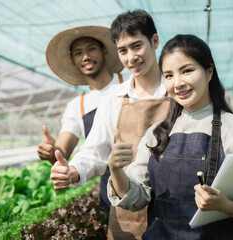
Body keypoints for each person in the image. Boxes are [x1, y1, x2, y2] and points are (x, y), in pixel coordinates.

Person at [107, 34, 233, 239]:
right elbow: (136, 199)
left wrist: (227, 206)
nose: (177, 83)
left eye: (187, 71)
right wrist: (116, 170)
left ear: (209, 71)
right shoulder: (156, 133)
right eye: (169, 75)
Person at [50, 10, 170, 239]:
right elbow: (94, 151)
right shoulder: (114, 99)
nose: (131, 57)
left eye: (137, 46)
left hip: (177, 207)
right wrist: (73, 171)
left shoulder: (175, 92)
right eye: (123, 50)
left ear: (154, 41)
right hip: (129, 210)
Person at [37, 26, 124, 211]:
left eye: (91, 48)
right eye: (78, 52)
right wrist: (52, 152)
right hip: (110, 190)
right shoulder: (78, 105)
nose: (85, 56)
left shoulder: (129, 83)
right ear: (73, 60)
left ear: (104, 50)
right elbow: (63, 150)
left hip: (146, 179)